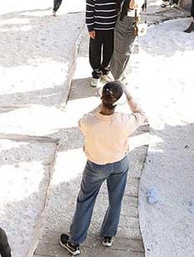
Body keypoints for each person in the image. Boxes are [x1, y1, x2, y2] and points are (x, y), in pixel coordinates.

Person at [59, 82, 147, 255]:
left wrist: (101, 105)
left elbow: (82, 121)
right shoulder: (125, 121)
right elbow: (141, 113)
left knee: (85, 201)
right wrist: (128, 94)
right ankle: (108, 235)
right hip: (120, 163)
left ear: (102, 98)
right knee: (116, 200)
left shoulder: (89, 121)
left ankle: (75, 242)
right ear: (118, 102)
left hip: (96, 166)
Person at [109, 0, 148, 82]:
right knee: (116, 52)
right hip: (119, 25)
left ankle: (117, 78)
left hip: (129, 28)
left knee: (123, 53)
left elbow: (132, 5)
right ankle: (115, 74)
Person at [86, 0, 122, 87]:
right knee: (95, 51)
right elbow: (89, 9)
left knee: (109, 50)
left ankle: (105, 70)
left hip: (112, 27)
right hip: (97, 27)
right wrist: (90, 27)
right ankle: (96, 73)